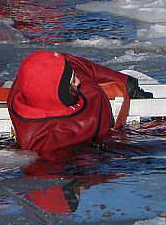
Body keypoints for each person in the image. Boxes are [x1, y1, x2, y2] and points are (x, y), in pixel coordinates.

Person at [8, 51, 152, 160]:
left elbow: (61, 62)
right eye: (72, 80)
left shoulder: (18, 94)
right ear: (60, 93)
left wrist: (125, 82)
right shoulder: (83, 115)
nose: (77, 81)